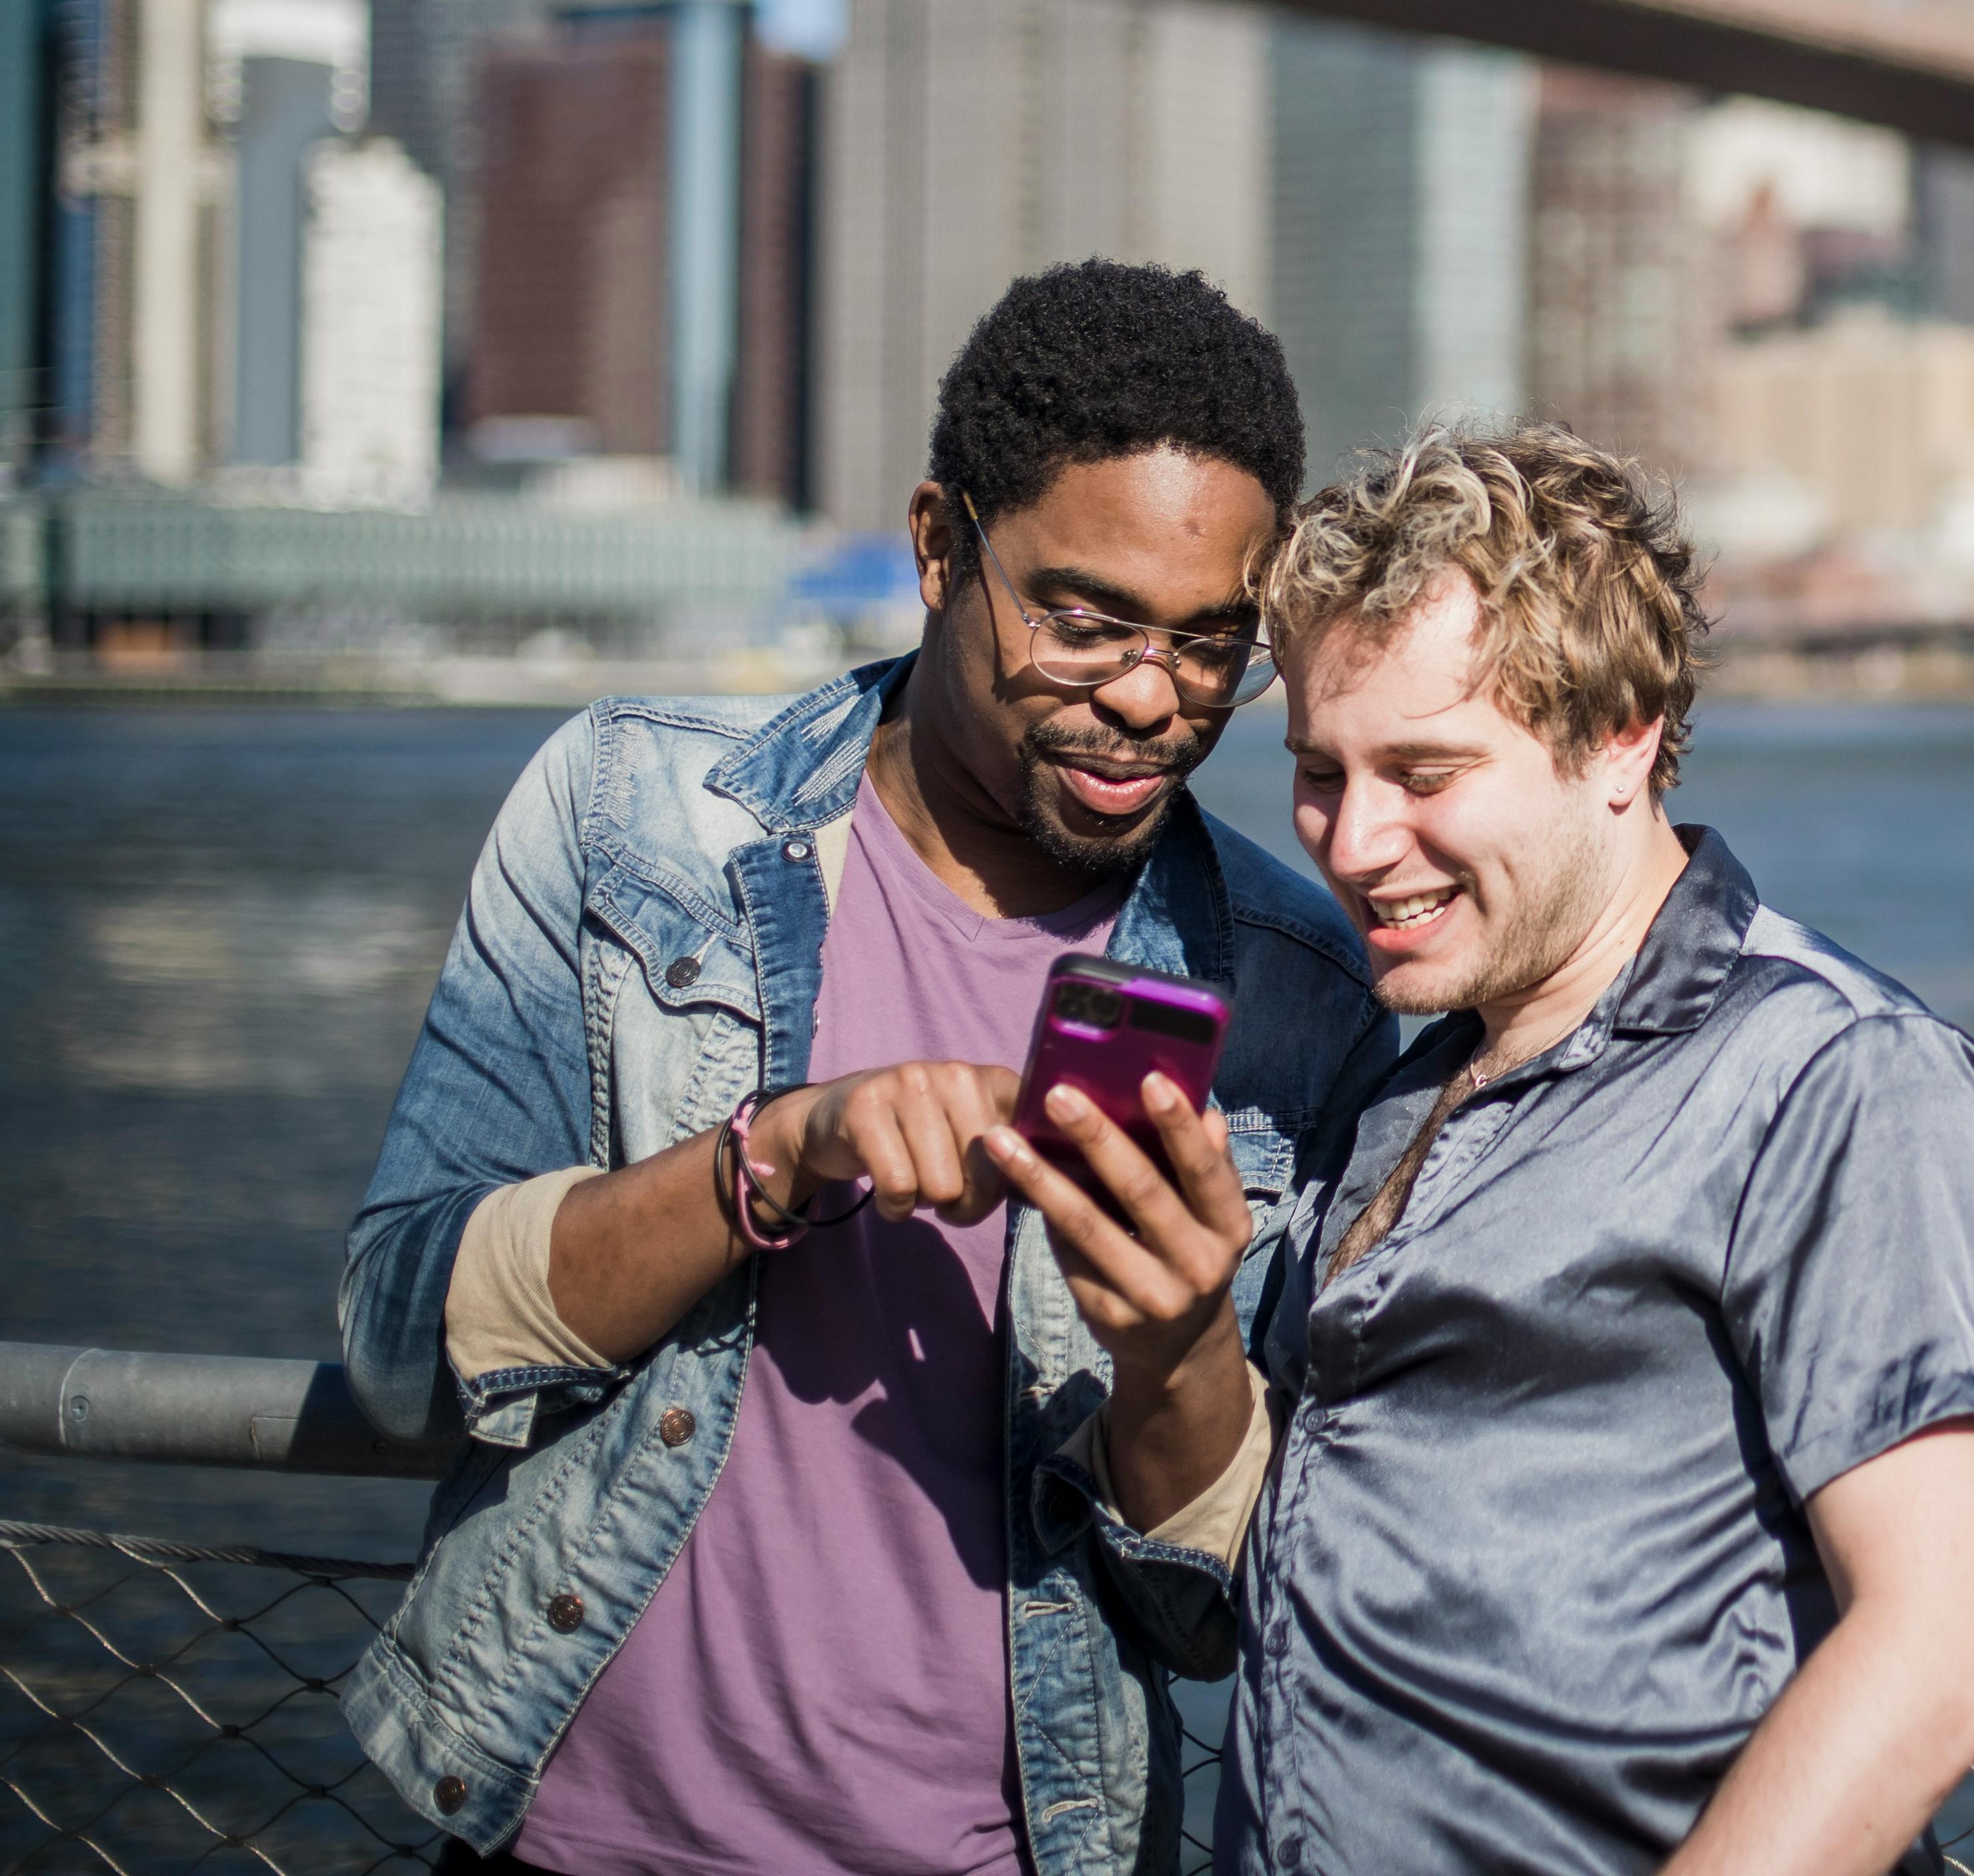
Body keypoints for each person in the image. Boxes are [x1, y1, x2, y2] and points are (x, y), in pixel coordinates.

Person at [339, 261, 1395, 1876]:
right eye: (1084, 617)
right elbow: (400, 1336)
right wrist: (768, 1156)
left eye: (1209, 644)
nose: (1146, 697)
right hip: (557, 1839)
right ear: (937, 546)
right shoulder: (630, 817)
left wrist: (1174, 1341)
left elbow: (1222, 1617)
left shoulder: (1303, 993)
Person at [997, 425, 1974, 1876]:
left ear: (1617, 736)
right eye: (1321, 772)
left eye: (1424, 770)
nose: (1354, 841)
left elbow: (1938, 1654)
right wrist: (1172, 1331)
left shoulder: (1840, 1076)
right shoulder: (1405, 1069)